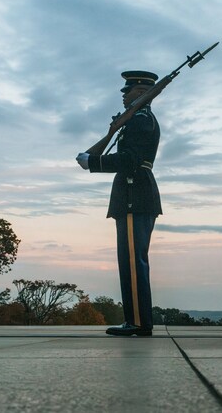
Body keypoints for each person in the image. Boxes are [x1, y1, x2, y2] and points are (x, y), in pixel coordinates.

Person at [76, 70, 162, 336]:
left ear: (142, 93)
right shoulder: (135, 120)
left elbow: (129, 160)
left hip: (134, 194)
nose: (124, 96)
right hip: (131, 195)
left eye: (129, 92)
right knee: (129, 261)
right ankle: (135, 319)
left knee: (134, 262)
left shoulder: (140, 121)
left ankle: (138, 321)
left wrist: (94, 162)